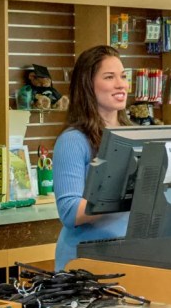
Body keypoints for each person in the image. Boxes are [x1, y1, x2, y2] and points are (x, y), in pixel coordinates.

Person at [51, 46, 133, 270]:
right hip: (84, 264)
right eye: (109, 77)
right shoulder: (73, 141)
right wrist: (126, 196)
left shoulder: (133, 134)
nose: (121, 84)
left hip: (129, 257)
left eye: (123, 76)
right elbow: (70, 212)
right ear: (88, 85)